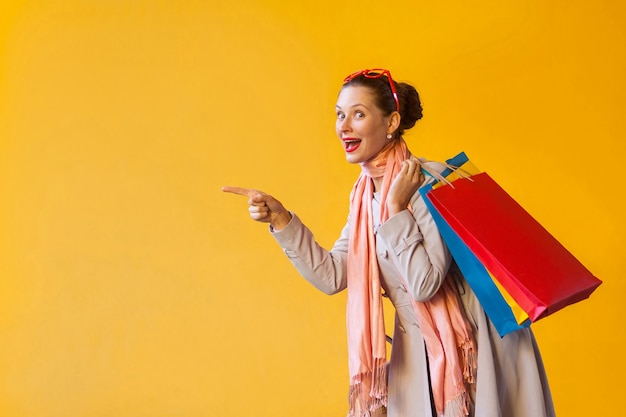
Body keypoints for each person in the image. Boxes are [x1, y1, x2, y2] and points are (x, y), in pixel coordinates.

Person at [223, 69, 555, 417]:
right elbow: (333, 276)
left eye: (359, 114)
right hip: (417, 354)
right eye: (340, 114)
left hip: (473, 350)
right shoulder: (364, 196)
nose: (344, 126)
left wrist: (397, 209)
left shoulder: (430, 180)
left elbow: (425, 284)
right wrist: (281, 220)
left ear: (391, 121)